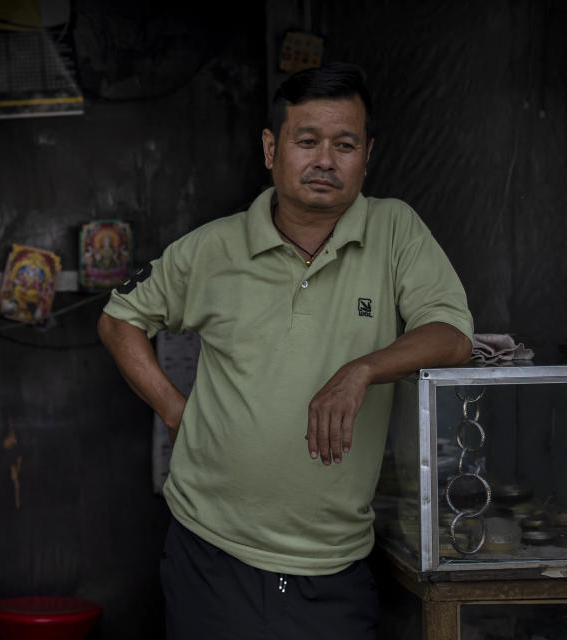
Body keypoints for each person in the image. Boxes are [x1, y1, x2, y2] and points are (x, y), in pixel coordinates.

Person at [97, 62, 472, 639]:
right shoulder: (215, 247)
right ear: (271, 148)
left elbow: (451, 335)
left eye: (345, 144)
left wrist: (362, 369)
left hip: (334, 565)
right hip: (210, 552)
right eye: (307, 141)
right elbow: (120, 318)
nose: (326, 160)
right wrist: (176, 411)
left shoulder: (395, 231)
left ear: (367, 155)